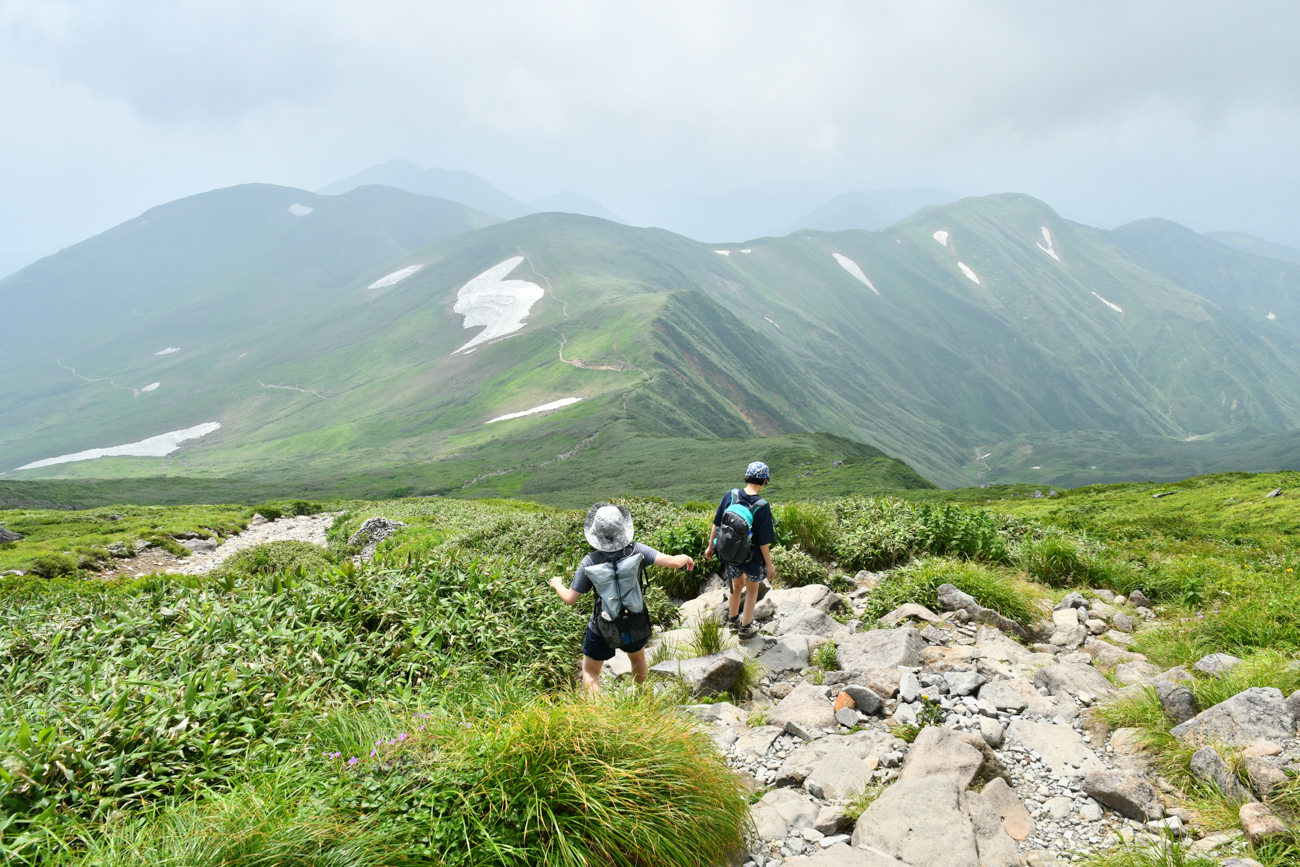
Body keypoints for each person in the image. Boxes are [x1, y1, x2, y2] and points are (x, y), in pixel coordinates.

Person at [550, 502, 695, 692]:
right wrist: (686, 557)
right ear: (622, 530)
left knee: (590, 671)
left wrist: (556, 583)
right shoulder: (637, 551)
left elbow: (570, 598)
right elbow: (675, 562)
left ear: (596, 534)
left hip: (602, 625)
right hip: (634, 619)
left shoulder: (590, 561)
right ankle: (644, 702)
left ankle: (599, 714)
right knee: (637, 658)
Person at [703, 461, 776, 639]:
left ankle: (733, 620)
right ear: (764, 481)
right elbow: (764, 542)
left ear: (747, 477)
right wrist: (769, 565)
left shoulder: (731, 495)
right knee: (752, 589)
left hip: (730, 553)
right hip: (752, 557)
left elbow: (717, 522)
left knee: (735, 586)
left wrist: (710, 546)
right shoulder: (762, 506)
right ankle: (746, 629)